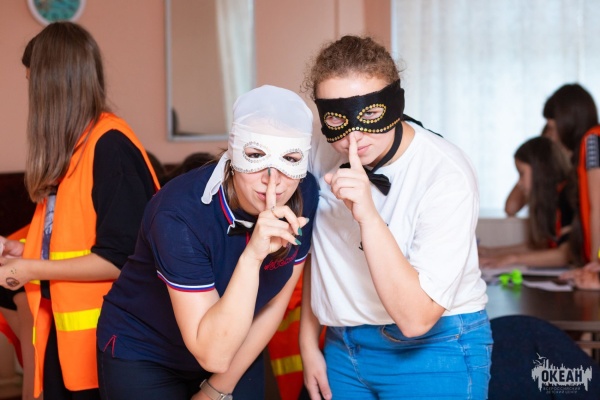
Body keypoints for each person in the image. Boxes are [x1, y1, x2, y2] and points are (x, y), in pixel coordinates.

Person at [95, 85, 319, 400]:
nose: (273, 179)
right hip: (147, 350)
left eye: (290, 159)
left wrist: (216, 390)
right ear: (233, 151)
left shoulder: (304, 193)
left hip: (234, 340)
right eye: (256, 156)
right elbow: (211, 353)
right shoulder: (178, 213)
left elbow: (274, 303)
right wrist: (252, 257)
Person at [299, 35, 491, 399]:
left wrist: (369, 217)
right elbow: (317, 251)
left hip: (435, 350)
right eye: (337, 118)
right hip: (342, 347)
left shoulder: (445, 174)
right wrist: (308, 343)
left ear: (395, 103)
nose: (353, 137)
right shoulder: (317, 152)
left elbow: (417, 318)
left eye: (370, 114)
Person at [0, 22, 160, 400]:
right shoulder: (76, 151)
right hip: (71, 343)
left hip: (110, 345)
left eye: (32, 84)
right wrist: (21, 251)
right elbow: (74, 241)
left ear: (51, 87)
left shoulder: (110, 148)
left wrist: (29, 269)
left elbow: (120, 258)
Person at [479, 137, 576, 268]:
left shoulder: (566, 195)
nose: (519, 183)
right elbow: (540, 247)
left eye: (521, 174)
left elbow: (564, 254)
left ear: (539, 171)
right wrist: (490, 252)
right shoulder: (552, 200)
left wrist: (512, 259)